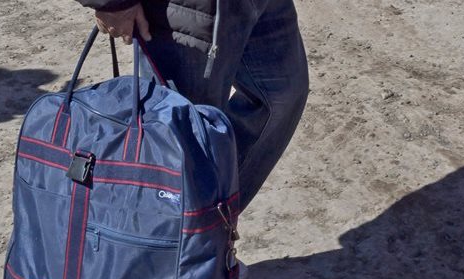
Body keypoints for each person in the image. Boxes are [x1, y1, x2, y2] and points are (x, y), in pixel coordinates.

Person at [74, 0, 309, 213]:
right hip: (182, 13)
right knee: (180, 145)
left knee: (280, 97)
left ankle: (206, 225)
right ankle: (171, 237)